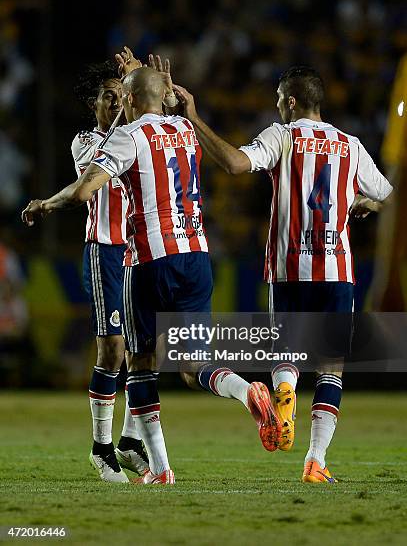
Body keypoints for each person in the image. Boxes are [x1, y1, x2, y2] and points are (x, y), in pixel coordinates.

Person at [22, 64, 282, 485]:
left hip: (143, 259)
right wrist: (158, 93)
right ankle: (243, 389)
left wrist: (46, 204)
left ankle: (158, 469)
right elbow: (154, 104)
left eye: (120, 94)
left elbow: (86, 189)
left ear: (127, 99)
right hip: (196, 255)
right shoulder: (182, 128)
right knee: (190, 363)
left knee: (139, 364)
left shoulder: (128, 135)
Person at [173, 66, 393, 483]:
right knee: (330, 367)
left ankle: (285, 395)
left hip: (289, 267)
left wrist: (194, 119)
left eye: (278, 97)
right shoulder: (351, 146)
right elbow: (390, 198)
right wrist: (369, 204)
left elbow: (237, 164)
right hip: (336, 269)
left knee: (284, 355)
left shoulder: (282, 135)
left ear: (290, 101)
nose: (275, 104)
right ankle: (315, 462)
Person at [71, 60, 148, 483]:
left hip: (138, 252)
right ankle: (101, 449)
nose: (117, 100)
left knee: (143, 350)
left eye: (122, 93)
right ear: (94, 103)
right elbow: (91, 177)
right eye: (108, 95)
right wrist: (131, 102)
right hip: (103, 252)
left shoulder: (135, 138)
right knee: (113, 350)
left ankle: (130, 442)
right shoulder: (85, 141)